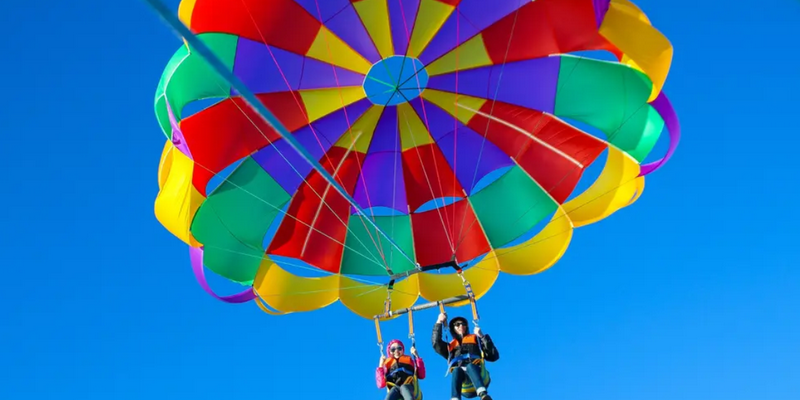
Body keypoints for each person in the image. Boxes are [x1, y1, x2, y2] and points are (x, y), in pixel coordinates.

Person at [432, 313, 499, 400]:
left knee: (470, 366)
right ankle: (455, 398)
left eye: (463, 324)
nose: (461, 326)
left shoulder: (475, 339)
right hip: (464, 383)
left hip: (478, 375)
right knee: (456, 370)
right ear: (453, 328)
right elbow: (436, 343)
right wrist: (439, 322)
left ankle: (483, 395)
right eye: (457, 324)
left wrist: (482, 337)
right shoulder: (451, 346)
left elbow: (493, 356)